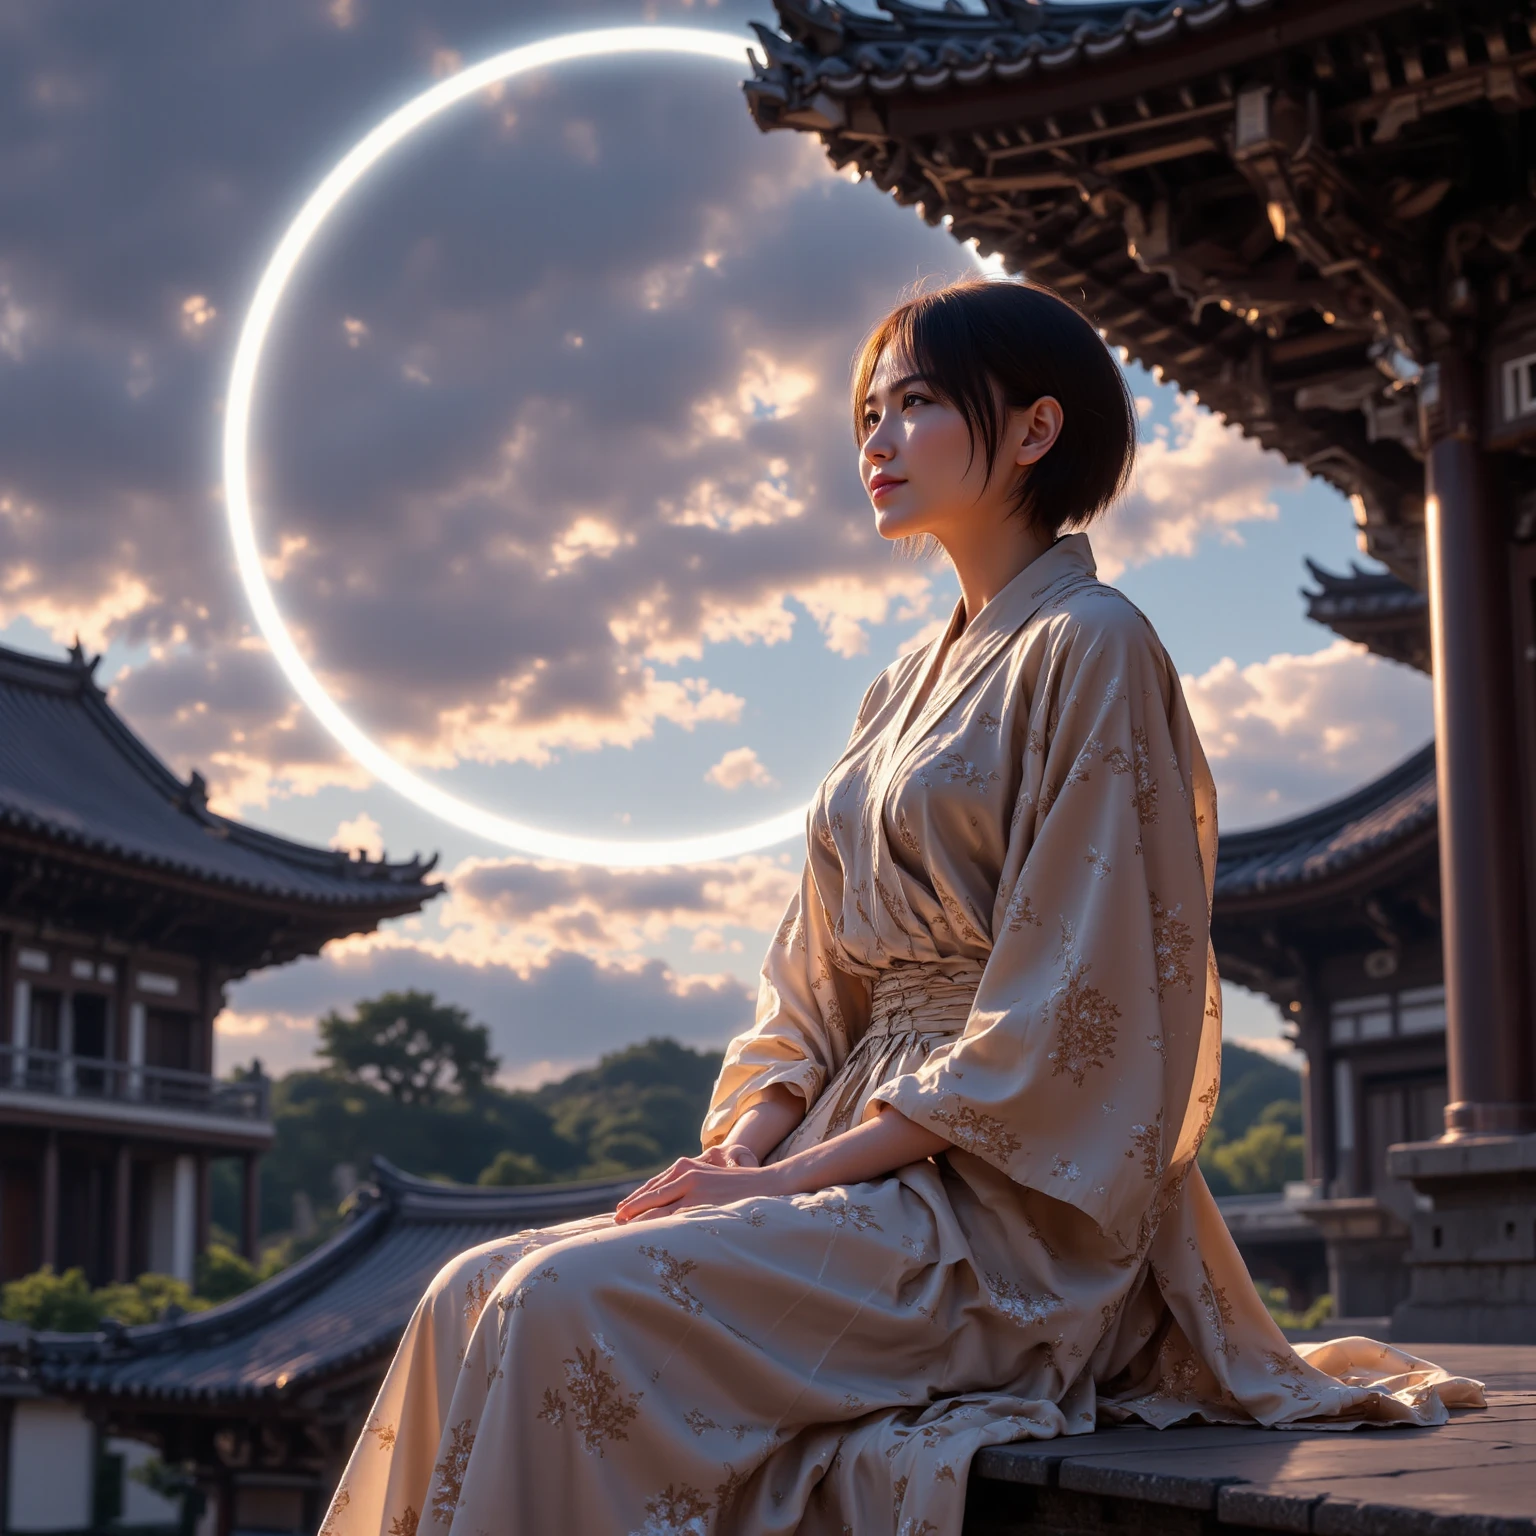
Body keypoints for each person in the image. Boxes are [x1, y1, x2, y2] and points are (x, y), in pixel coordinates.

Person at [321, 278, 1481, 1536]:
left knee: (558, 1302)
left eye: (916, 404)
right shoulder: (894, 689)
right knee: (463, 1290)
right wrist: (747, 1152)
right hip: (840, 1152)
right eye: (868, 412)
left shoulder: (1093, 644)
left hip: (1004, 1205)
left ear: (1034, 430)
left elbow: (1072, 1012)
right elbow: (812, 976)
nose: (876, 438)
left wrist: (791, 1184)